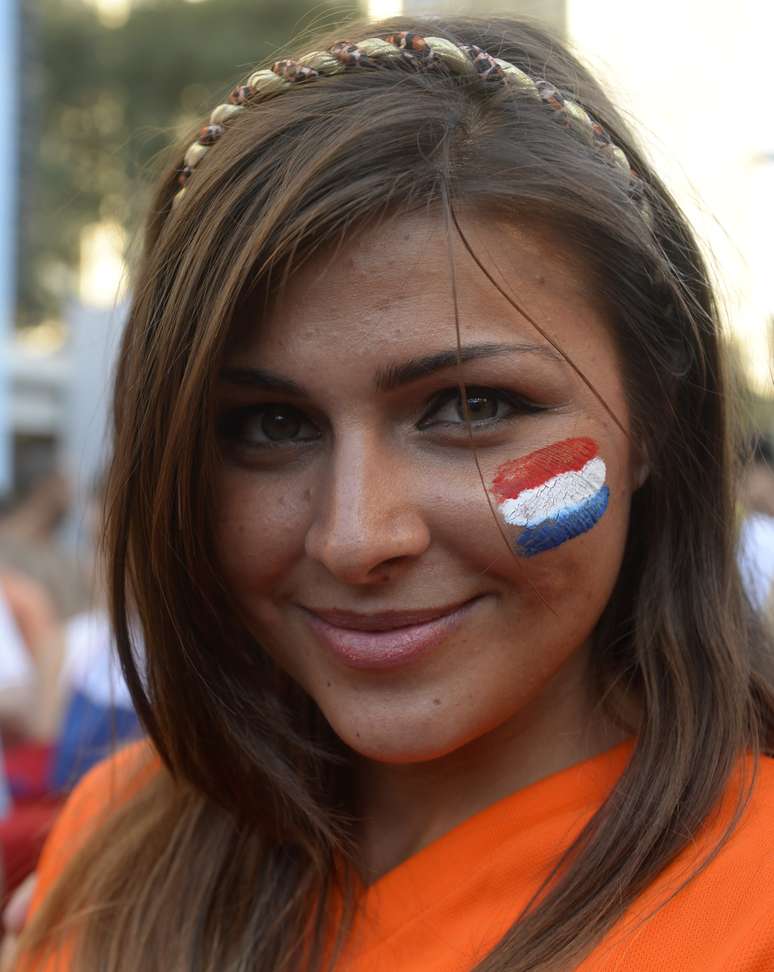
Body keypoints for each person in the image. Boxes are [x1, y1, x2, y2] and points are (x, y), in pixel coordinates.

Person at [11, 16, 774, 972]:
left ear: (656, 417)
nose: (355, 536)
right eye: (271, 427)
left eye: (470, 405)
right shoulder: (121, 840)